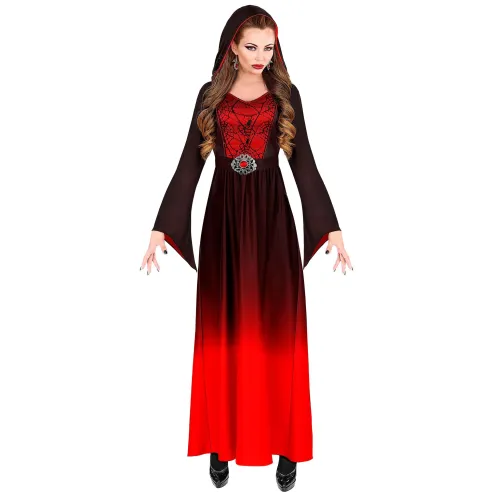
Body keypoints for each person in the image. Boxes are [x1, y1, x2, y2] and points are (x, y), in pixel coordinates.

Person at [140, 5, 353, 490]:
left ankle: (286, 447)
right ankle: (221, 442)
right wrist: (161, 226)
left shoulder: (286, 95)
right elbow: (189, 163)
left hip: (273, 221)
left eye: (269, 47)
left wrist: (330, 226)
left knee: (279, 330)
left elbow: (304, 163)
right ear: (232, 46)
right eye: (252, 46)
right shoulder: (209, 96)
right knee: (224, 329)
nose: (261, 56)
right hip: (224, 224)